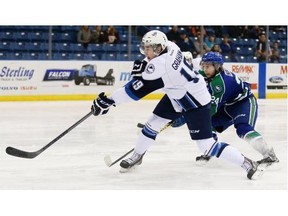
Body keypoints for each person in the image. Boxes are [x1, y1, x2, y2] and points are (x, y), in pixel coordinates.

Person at [90, 30, 265, 180]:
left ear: (159, 48)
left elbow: (134, 92)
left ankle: (248, 164)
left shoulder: (160, 67)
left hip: (194, 102)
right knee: (152, 123)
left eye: (149, 48)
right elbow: (153, 64)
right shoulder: (171, 46)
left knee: (207, 146)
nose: (145, 51)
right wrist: (144, 64)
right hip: (178, 93)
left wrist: (109, 101)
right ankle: (138, 155)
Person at [176, 51, 279, 167]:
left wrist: (186, 117)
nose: (205, 69)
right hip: (226, 105)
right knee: (207, 124)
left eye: (208, 66)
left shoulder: (221, 83)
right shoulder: (209, 74)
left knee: (243, 129)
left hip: (243, 103)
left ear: (217, 66)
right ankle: (210, 149)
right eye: (203, 66)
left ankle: (269, 155)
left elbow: (211, 110)